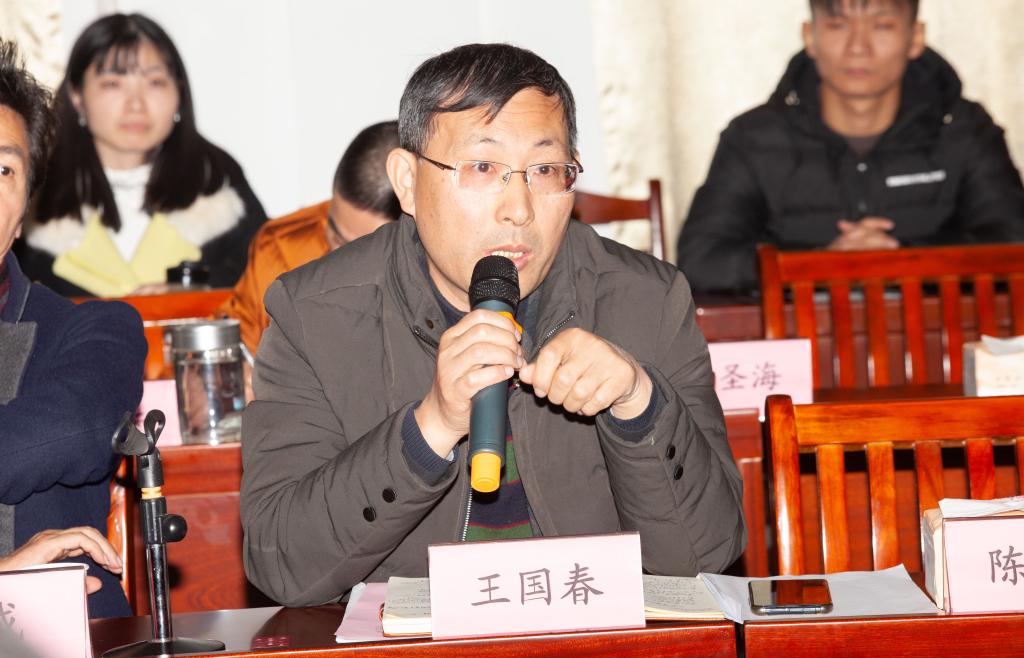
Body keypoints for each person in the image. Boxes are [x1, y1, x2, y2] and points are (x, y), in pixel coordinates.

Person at [241, 43, 745, 607]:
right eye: (483, 168)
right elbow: (281, 565)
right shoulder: (313, 313)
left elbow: (705, 558)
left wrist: (639, 404)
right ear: (406, 181)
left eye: (545, 171)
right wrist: (429, 428)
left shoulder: (646, 299)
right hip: (412, 651)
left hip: (592, 639)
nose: (519, 209)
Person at [677, 0, 1024, 294]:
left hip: (943, 338)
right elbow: (701, 260)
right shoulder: (755, 138)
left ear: (915, 37)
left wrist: (899, 260)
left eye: (882, 26)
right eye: (838, 25)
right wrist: (821, 263)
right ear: (809, 37)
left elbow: (1013, 241)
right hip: (801, 340)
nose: (858, 47)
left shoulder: (963, 129)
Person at [0, 39, 145, 617]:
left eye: (3, 168)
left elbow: (74, 429)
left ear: (22, 215)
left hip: (65, 646)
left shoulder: (94, 331)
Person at [17, 13, 266, 298]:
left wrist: (197, 297)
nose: (136, 104)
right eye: (113, 84)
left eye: (155, 82)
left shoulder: (218, 183)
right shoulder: (33, 194)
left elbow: (268, 287)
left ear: (179, 93)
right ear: (77, 96)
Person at [220, 121, 401, 353]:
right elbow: (240, 339)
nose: (345, 260)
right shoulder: (281, 248)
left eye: (366, 249)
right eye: (336, 237)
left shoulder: (440, 270)